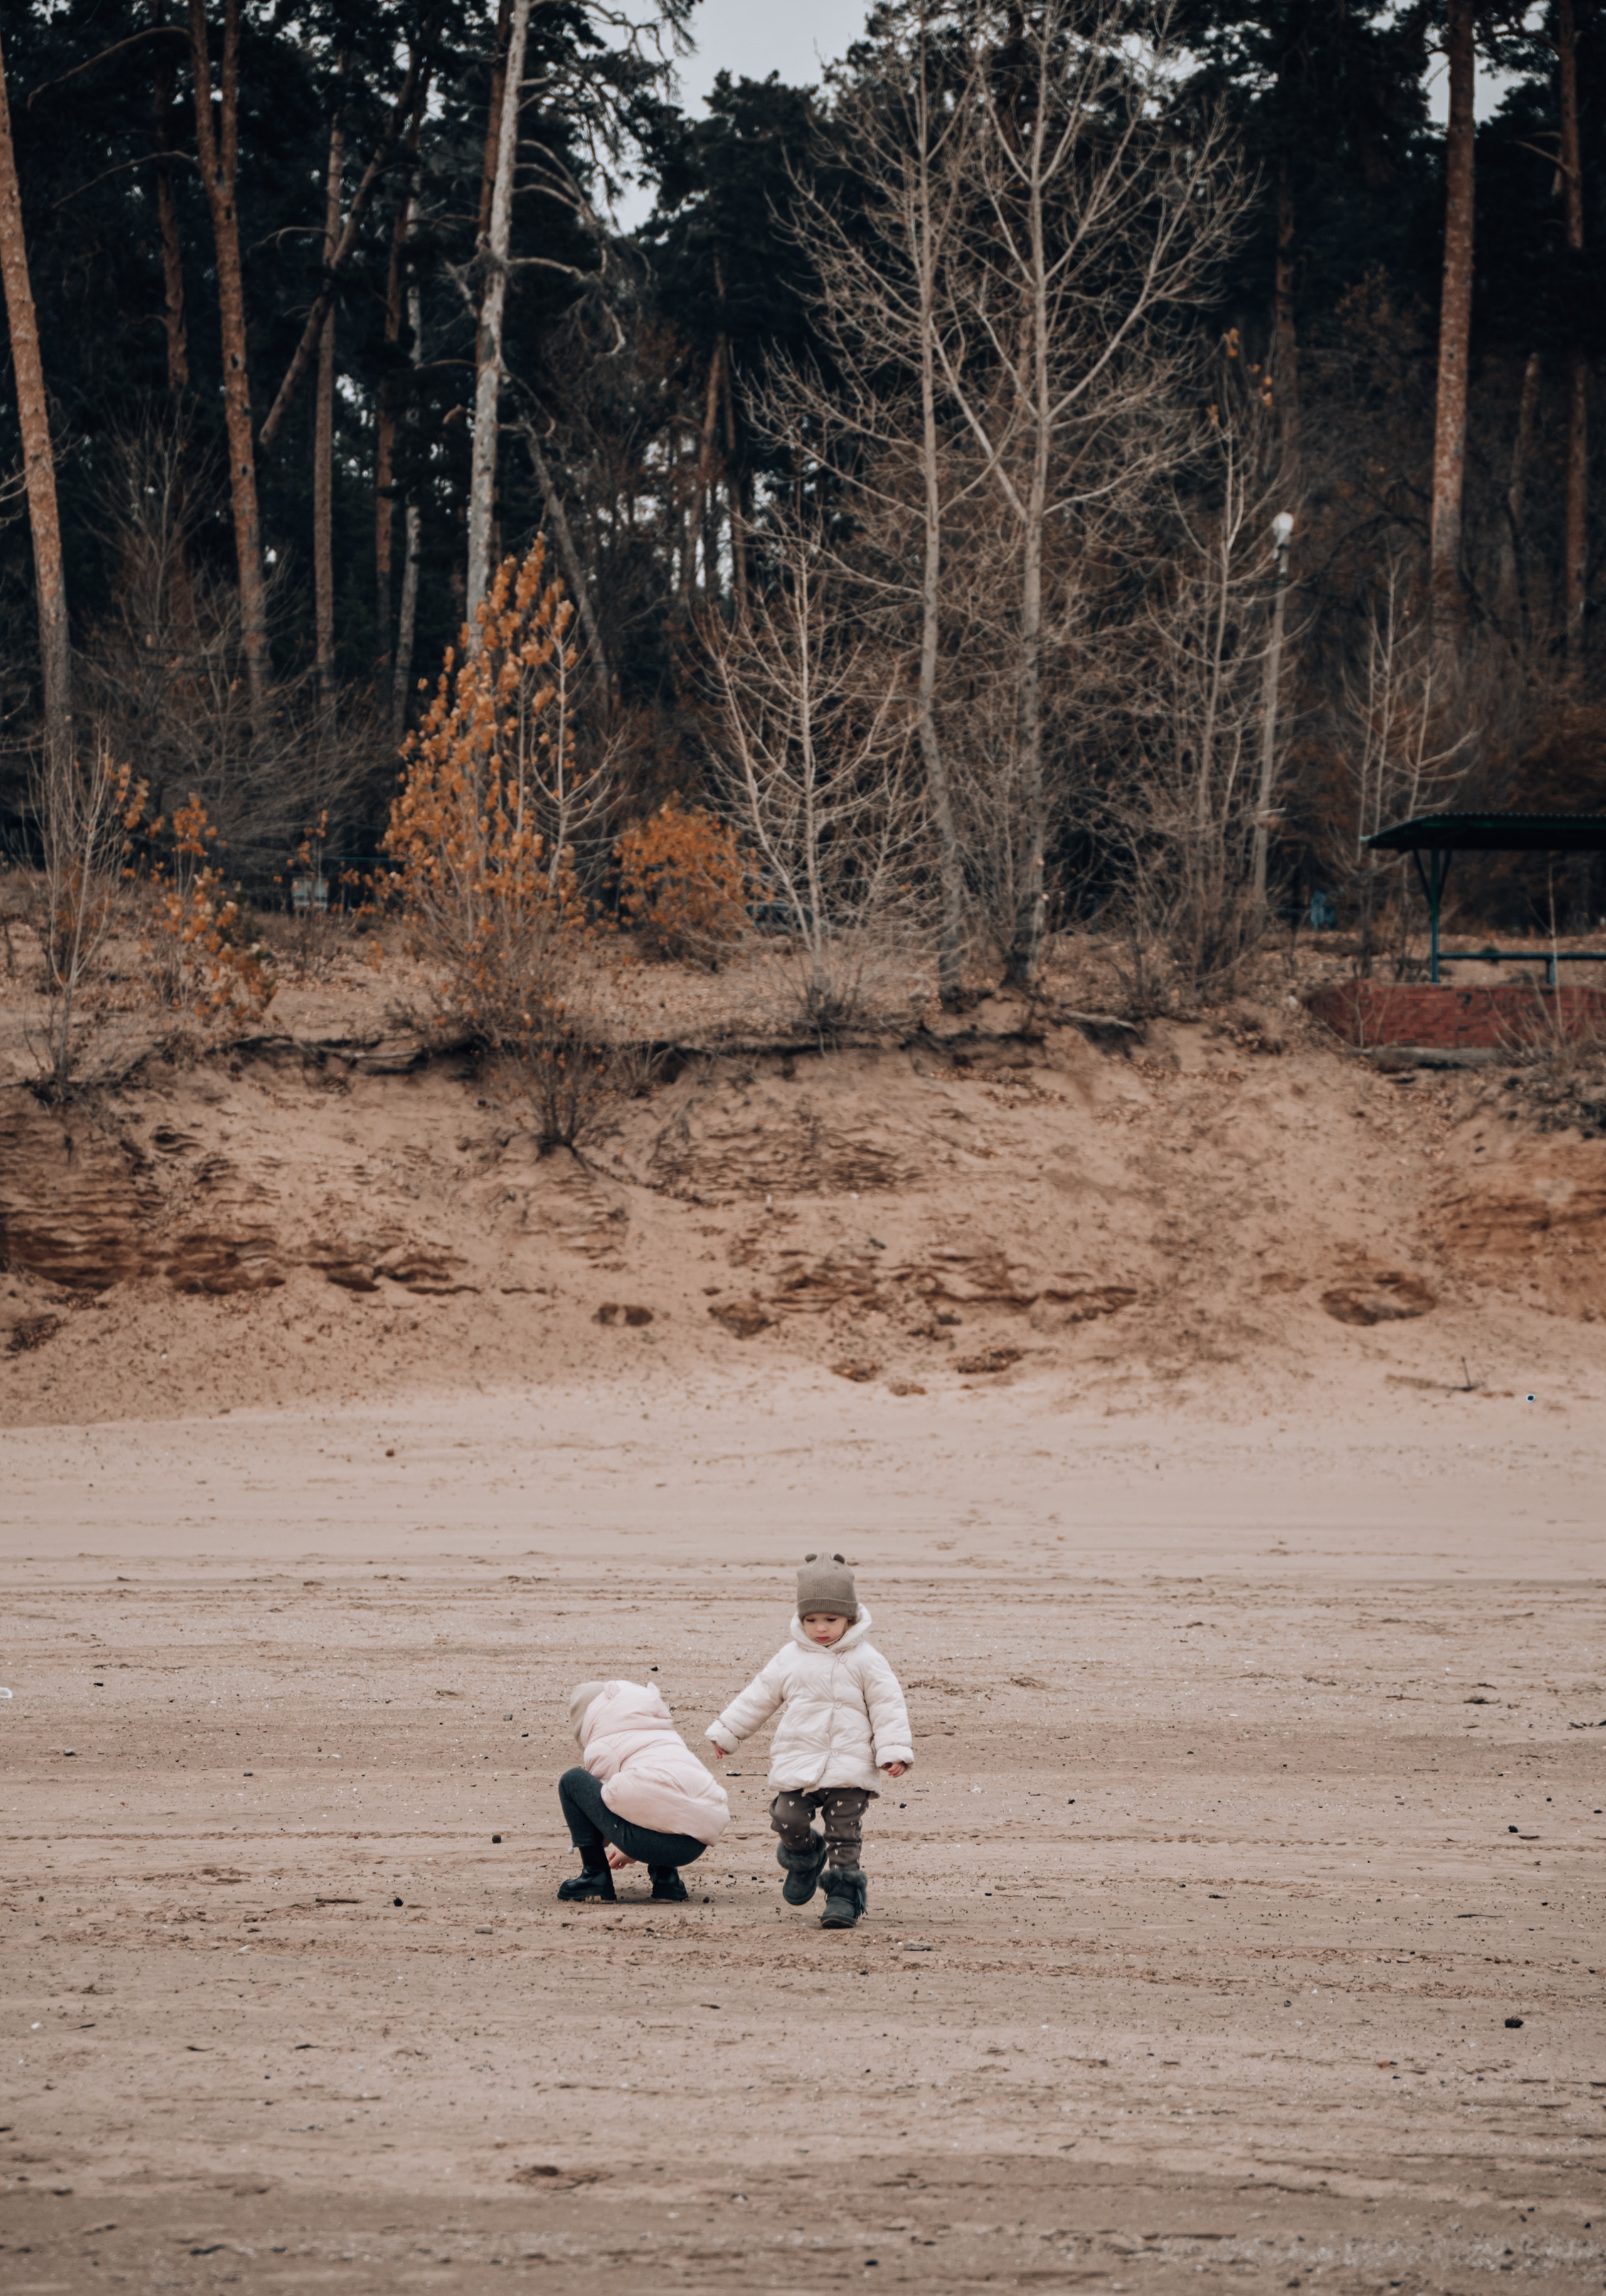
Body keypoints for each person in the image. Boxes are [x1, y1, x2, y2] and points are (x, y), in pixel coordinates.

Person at [705, 1552, 912, 1931]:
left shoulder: (868, 1659)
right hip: (798, 1762)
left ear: (849, 1617)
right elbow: (759, 1697)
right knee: (786, 1818)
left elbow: (888, 1706)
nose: (821, 1628)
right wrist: (729, 1732)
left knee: (843, 1833)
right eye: (811, 1619)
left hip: (850, 1767)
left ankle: (843, 1896)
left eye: (830, 1620)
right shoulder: (790, 1657)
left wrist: (893, 1751)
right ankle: (804, 1856)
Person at [559, 1678, 729, 1905]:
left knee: (572, 1780)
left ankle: (595, 1876)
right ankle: (667, 1880)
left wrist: (624, 1846)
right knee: (662, 1791)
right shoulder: (666, 1736)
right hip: (693, 1845)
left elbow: (603, 1810)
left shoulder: (603, 1744)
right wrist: (630, 1853)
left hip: (646, 1840)